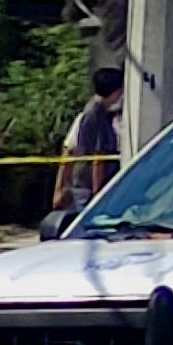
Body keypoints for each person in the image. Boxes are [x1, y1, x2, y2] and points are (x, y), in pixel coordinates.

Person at [52, 68, 123, 230]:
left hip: (85, 186)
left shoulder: (100, 113)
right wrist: (98, 195)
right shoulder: (95, 115)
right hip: (88, 188)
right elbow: (98, 157)